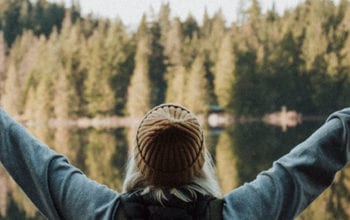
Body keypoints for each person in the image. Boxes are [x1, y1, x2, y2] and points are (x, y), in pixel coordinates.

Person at [0, 103, 349, 220]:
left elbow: (23, 150)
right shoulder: (236, 214)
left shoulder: (103, 213)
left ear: (138, 160)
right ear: (200, 164)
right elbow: (316, 154)